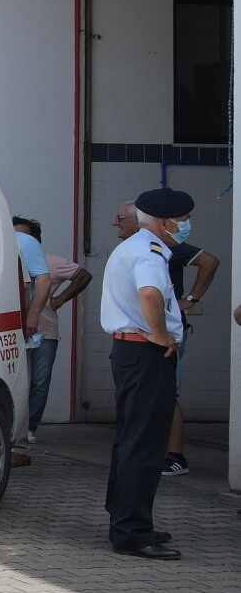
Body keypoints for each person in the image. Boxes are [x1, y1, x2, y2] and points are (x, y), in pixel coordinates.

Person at [98, 188, 191, 560]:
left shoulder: (136, 247)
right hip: (146, 353)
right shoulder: (149, 252)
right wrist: (160, 334)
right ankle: (132, 532)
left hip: (131, 351)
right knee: (145, 443)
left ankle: (125, 519)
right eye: (182, 221)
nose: (185, 226)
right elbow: (151, 295)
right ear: (165, 223)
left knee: (131, 439)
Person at [12, 217, 91, 444]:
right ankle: (16, 425)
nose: (17, 239)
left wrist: (59, 300)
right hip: (15, 330)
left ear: (35, 240)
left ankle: (31, 427)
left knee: (39, 382)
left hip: (44, 332)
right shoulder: (7, 258)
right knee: (18, 380)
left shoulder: (51, 262)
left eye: (23, 235)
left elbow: (83, 275)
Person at [160, 214, 218, 477]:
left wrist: (191, 299)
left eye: (120, 219)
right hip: (149, 333)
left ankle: (175, 456)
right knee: (157, 393)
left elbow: (209, 261)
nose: (117, 224)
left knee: (167, 393)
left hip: (168, 332)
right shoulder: (140, 248)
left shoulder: (169, 246)